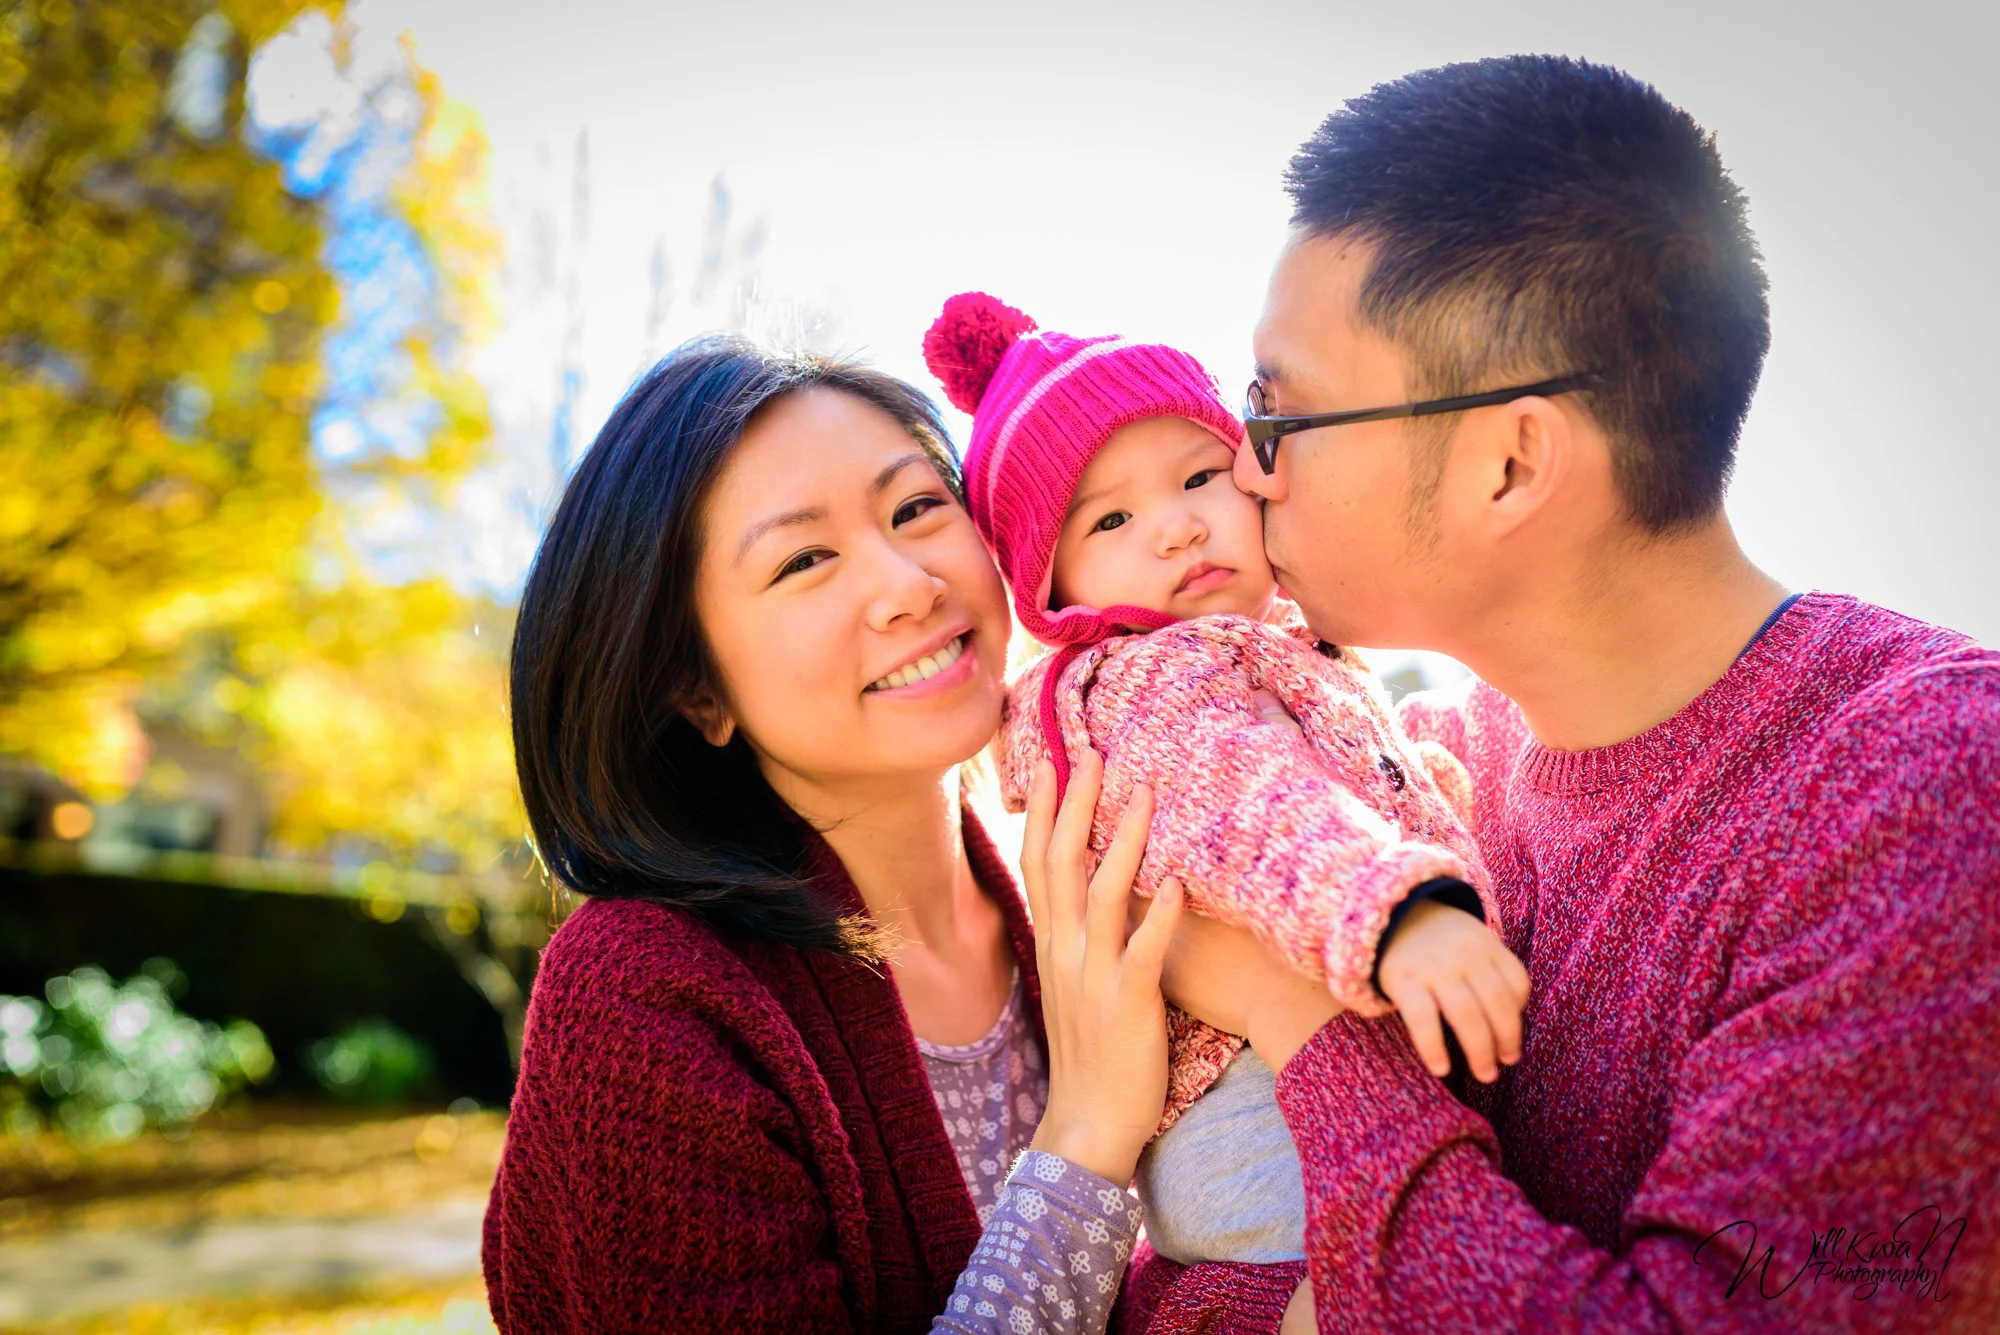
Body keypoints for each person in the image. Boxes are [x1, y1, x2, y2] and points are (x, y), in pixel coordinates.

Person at [1040, 55, 2000, 1331]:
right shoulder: (1427, 772)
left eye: (1276, 416)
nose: (1241, 474)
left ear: (1507, 461)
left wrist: (1301, 1020)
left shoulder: (1925, 795)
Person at [485, 339, 1197, 1332]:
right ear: (696, 690)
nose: (907, 583)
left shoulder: (1092, 890)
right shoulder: (641, 998)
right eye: (803, 559)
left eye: (916, 509)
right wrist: (1084, 1132)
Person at [918, 292, 1529, 1318]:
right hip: (1260, 1124)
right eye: (1109, 519)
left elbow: (1351, 770)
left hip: (1321, 1070)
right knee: (1381, 1294)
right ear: (1050, 586)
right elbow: (1252, 803)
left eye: (1199, 474)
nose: (1176, 527)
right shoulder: (1147, 683)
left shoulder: (1269, 651)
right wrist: (1398, 908)